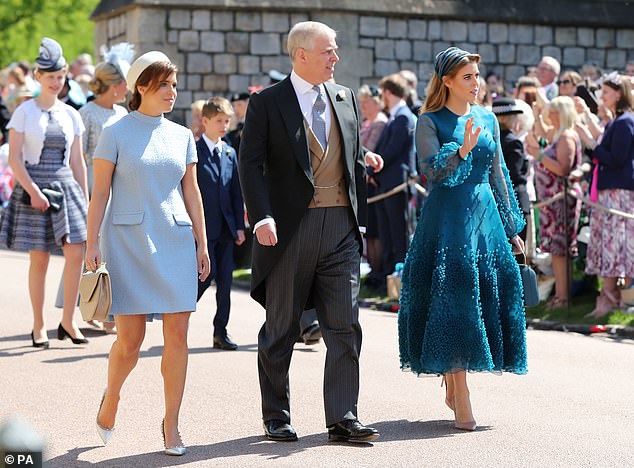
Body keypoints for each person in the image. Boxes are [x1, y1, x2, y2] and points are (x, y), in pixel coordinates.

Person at [239, 21, 380, 443]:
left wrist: (364, 175)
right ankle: (277, 416)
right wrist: (261, 216)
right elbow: (250, 163)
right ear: (301, 54)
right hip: (288, 229)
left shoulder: (345, 96)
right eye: (328, 51)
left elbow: (350, 155)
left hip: (340, 227)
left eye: (334, 51)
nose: (335, 58)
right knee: (281, 328)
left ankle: (343, 417)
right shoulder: (268, 103)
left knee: (344, 324)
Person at [86, 51, 210, 456]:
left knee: (178, 335)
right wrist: (91, 244)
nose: (173, 92)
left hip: (174, 239)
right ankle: (112, 397)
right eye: (164, 85)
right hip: (126, 243)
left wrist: (202, 243)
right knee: (131, 341)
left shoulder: (181, 136)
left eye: (174, 84)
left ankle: (171, 423)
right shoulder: (116, 132)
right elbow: (100, 193)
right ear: (141, 87)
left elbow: (192, 192)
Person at [398, 47, 528, 432]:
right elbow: (433, 174)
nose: (476, 83)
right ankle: (460, 389)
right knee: (452, 302)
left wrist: (511, 228)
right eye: (468, 77)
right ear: (448, 82)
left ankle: (455, 378)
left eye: (477, 76)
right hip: (446, 221)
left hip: (485, 219)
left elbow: (500, 175)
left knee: (480, 299)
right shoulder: (429, 121)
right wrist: (463, 148)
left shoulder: (487, 116)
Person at [0, 37, 89, 348]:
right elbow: (14, 158)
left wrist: (87, 200)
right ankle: (39, 324)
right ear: (38, 77)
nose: (56, 82)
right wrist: (33, 190)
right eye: (50, 76)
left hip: (65, 186)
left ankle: (68, 320)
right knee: (38, 258)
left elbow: (78, 162)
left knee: (76, 251)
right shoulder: (24, 112)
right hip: (32, 185)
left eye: (61, 76)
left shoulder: (71, 114)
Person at [196, 96, 246, 350]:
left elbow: (236, 192)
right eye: (219, 121)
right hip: (203, 229)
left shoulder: (229, 152)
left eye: (227, 121)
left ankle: (220, 331)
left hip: (226, 229)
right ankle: (179, 314)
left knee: (225, 282)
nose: (224, 126)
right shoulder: (194, 151)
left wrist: (239, 225)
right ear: (205, 121)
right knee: (205, 276)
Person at [583, 73, 634, 317]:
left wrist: (592, 145)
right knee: (607, 243)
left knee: (615, 245)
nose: (602, 97)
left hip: (618, 192)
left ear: (619, 93)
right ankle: (608, 295)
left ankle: (613, 297)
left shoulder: (625, 121)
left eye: (606, 92)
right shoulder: (617, 121)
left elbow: (617, 159)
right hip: (609, 191)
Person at [530, 96, 582, 309]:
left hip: (561, 201)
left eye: (552, 112)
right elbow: (543, 132)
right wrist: (537, 116)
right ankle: (561, 295)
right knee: (557, 251)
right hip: (552, 202)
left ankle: (563, 297)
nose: (549, 115)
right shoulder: (561, 135)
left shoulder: (567, 137)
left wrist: (539, 156)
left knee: (561, 250)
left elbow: (562, 169)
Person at [373, 73, 416, 285]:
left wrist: (373, 171)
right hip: (385, 184)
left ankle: (399, 280)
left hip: (397, 184)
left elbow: (391, 151)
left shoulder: (404, 117)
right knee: (387, 235)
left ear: (388, 92)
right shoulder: (395, 117)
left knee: (398, 236)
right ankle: (388, 277)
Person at [80, 43, 133, 195]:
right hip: (94, 182)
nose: (128, 88)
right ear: (115, 85)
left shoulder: (122, 113)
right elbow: (78, 156)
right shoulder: (86, 113)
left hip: (121, 182)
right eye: (125, 83)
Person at [358, 84, 387, 283]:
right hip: (364, 181)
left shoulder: (379, 122)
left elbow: (369, 148)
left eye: (366, 102)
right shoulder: (366, 122)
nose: (362, 106)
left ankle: (377, 272)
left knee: (375, 229)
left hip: (373, 180)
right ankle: (372, 270)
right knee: (369, 230)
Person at [492, 98, 531, 241]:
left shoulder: (490, 140)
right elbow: (516, 174)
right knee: (517, 255)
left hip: (494, 200)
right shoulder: (513, 142)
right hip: (515, 200)